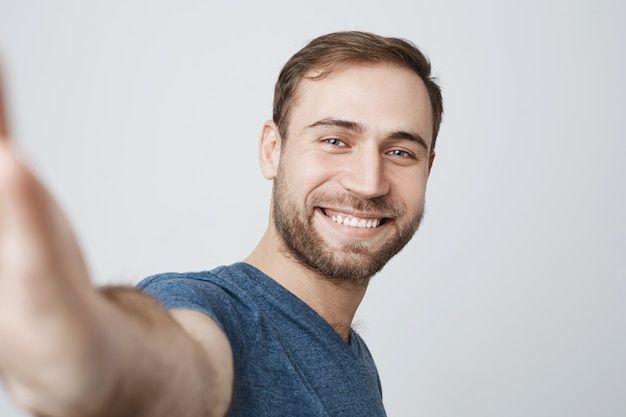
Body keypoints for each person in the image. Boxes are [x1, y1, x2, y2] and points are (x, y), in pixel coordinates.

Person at [0, 31, 443, 416]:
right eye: (334, 140)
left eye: (401, 152)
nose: (368, 182)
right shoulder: (209, 311)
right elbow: (174, 369)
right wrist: (75, 353)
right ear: (272, 149)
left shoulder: (356, 362)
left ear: (428, 168)